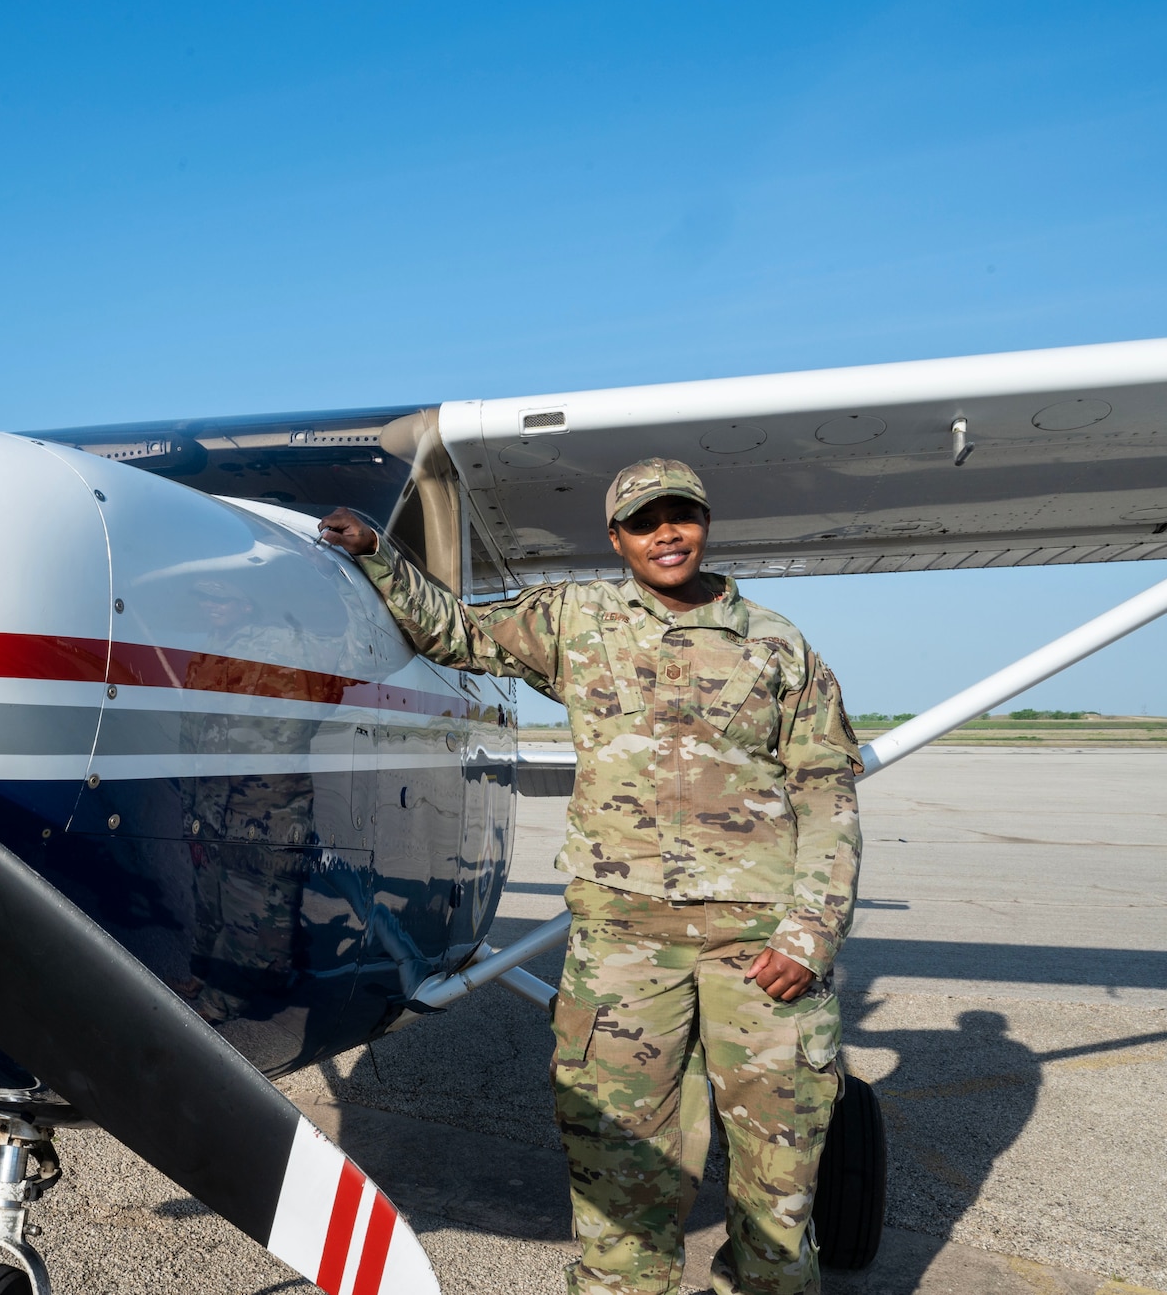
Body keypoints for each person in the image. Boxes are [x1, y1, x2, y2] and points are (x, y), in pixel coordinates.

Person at [319, 458, 863, 1295]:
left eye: (680, 515)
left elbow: (825, 786)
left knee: (779, 1181)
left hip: (759, 947)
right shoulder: (578, 618)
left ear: (705, 523)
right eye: (645, 522)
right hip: (622, 941)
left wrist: (812, 929)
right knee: (617, 1168)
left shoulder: (778, 644)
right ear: (617, 538)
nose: (666, 533)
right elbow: (455, 631)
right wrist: (376, 557)